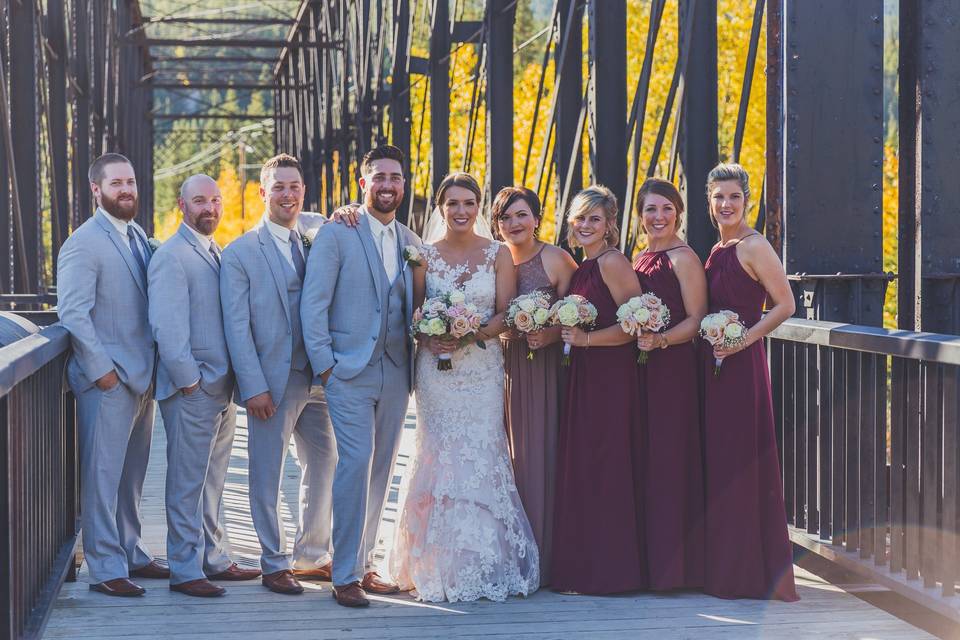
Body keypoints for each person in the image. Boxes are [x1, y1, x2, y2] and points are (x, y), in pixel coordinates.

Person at [390, 172, 540, 602]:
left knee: (481, 451)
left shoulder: (498, 254)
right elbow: (415, 314)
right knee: (438, 454)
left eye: (469, 203)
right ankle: (431, 561)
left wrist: (468, 333)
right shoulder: (422, 255)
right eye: (452, 203)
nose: (460, 211)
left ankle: (481, 558)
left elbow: (505, 313)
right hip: (437, 376)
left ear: (479, 207)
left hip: (482, 372)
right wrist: (430, 334)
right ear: (440, 208)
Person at [301, 145, 421, 607]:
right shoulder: (337, 231)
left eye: (395, 177)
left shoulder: (411, 242)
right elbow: (313, 305)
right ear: (363, 181)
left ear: (404, 184)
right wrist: (326, 366)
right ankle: (345, 572)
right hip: (347, 371)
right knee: (354, 465)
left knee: (382, 470)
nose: (387, 185)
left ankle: (365, 562)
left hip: (396, 370)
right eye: (379, 177)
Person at [220, 154, 336, 595]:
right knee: (266, 473)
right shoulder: (241, 253)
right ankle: (273, 562)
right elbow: (236, 326)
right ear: (262, 193)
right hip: (272, 380)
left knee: (325, 465)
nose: (288, 194)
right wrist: (253, 386)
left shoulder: (317, 233)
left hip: (319, 376)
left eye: (295, 186)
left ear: (303, 192)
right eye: (279, 187)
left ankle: (311, 555)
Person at [57, 153, 167, 596]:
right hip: (108, 381)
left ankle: (130, 550)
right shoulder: (83, 243)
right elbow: (73, 314)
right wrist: (103, 372)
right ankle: (105, 567)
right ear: (96, 190)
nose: (127, 190)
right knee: (103, 477)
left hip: (142, 377)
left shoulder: (136, 233)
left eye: (131, 182)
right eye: (117, 183)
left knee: (131, 474)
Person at [148, 175, 261, 597]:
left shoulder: (216, 251)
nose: (209, 208)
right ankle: (184, 568)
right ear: (182, 205)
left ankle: (212, 557)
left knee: (213, 480)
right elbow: (166, 327)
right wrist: (190, 382)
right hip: (194, 390)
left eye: (215, 200)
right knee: (186, 481)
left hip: (222, 389)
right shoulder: (171, 256)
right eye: (200, 201)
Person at [700, 163, 799, 601]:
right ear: (709, 202)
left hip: (741, 365)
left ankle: (747, 574)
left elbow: (785, 305)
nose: (726, 204)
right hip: (715, 366)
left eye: (734, 197)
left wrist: (743, 340)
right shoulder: (718, 247)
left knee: (740, 462)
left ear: (746, 201)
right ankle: (724, 566)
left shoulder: (754, 247)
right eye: (718, 197)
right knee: (721, 464)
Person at [551, 185, 647, 595]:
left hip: (610, 376)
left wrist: (586, 341)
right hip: (584, 376)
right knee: (586, 465)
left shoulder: (612, 263)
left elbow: (635, 322)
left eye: (595, 218)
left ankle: (611, 571)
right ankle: (583, 565)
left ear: (610, 225)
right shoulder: (581, 267)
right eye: (580, 218)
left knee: (607, 465)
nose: (586, 225)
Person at [493, 186, 577, 586]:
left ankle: (544, 553)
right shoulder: (495, 258)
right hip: (502, 365)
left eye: (521, 215)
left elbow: (583, 313)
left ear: (537, 218)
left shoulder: (556, 259)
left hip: (542, 367)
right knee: (504, 455)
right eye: (506, 217)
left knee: (537, 452)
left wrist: (552, 332)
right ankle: (511, 551)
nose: (514, 224)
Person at [632, 178, 707, 590]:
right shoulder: (640, 257)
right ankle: (647, 560)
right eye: (650, 210)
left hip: (673, 367)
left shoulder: (683, 258)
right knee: (646, 457)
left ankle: (675, 568)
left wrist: (660, 339)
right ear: (640, 215)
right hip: (641, 368)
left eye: (666, 208)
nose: (658, 217)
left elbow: (696, 318)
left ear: (678, 212)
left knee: (669, 461)